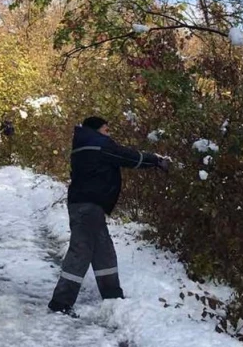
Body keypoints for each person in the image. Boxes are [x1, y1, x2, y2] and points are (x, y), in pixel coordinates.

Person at [48, 116, 168, 316]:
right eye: (106, 130)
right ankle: (60, 303)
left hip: (86, 205)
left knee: (103, 250)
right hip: (88, 206)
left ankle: (112, 295)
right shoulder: (97, 144)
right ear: (96, 130)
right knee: (80, 252)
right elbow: (127, 157)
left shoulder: (84, 143)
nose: (108, 134)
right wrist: (155, 160)